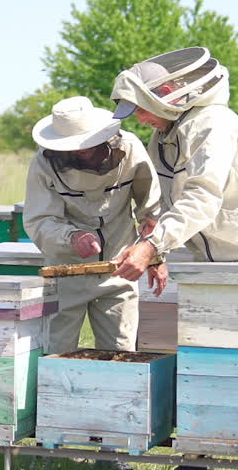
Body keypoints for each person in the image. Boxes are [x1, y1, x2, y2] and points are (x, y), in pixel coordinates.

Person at [107, 47, 238, 470]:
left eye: (143, 110)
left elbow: (203, 198)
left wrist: (152, 246)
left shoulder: (214, 124)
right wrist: (162, 247)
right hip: (205, 262)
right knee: (199, 362)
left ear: (172, 96)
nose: (140, 121)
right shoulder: (165, 136)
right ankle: (196, 463)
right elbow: (175, 202)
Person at [23, 95, 160, 354]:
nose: (76, 153)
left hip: (120, 269)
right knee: (56, 353)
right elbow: (39, 220)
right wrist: (71, 237)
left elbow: (152, 210)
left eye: (83, 147)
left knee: (120, 355)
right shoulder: (43, 161)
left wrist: (156, 256)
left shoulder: (130, 149)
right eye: (69, 148)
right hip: (64, 271)